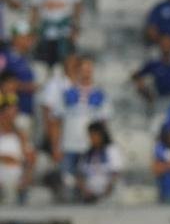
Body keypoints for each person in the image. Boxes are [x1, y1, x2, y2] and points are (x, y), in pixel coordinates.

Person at [45, 55, 106, 191]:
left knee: (89, 183)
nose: (86, 73)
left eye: (89, 69)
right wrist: (55, 147)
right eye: (83, 69)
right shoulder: (67, 94)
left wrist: (101, 147)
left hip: (89, 147)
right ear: (77, 71)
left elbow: (103, 124)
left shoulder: (100, 95)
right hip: (69, 145)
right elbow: (55, 121)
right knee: (68, 182)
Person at [132, 35, 170, 109]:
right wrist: (145, 91)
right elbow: (136, 76)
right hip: (158, 99)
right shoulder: (154, 64)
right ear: (160, 46)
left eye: (169, 43)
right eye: (164, 43)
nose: (166, 46)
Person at [0, 85, 32, 203]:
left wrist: (25, 178)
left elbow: (28, 158)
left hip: (17, 176)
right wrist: (5, 158)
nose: (14, 115)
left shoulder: (20, 135)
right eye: (10, 111)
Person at [76, 121, 121, 202]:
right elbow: (80, 176)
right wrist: (86, 191)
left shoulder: (111, 151)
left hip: (108, 194)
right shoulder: (86, 154)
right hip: (90, 194)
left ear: (101, 135)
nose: (92, 138)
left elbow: (116, 173)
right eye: (90, 135)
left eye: (94, 135)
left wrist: (107, 190)